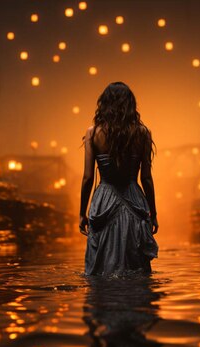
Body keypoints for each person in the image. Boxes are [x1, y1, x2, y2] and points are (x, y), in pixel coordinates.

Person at [79, 81, 159, 276]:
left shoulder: (93, 133)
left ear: (104, 104)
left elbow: (88, 177)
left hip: (104, 199)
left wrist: (82, 213)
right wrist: (153, 213)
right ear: (131, 105)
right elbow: (146, 178)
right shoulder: (142, 133)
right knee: (135, 266)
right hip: (133, 197)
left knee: (101, 269)